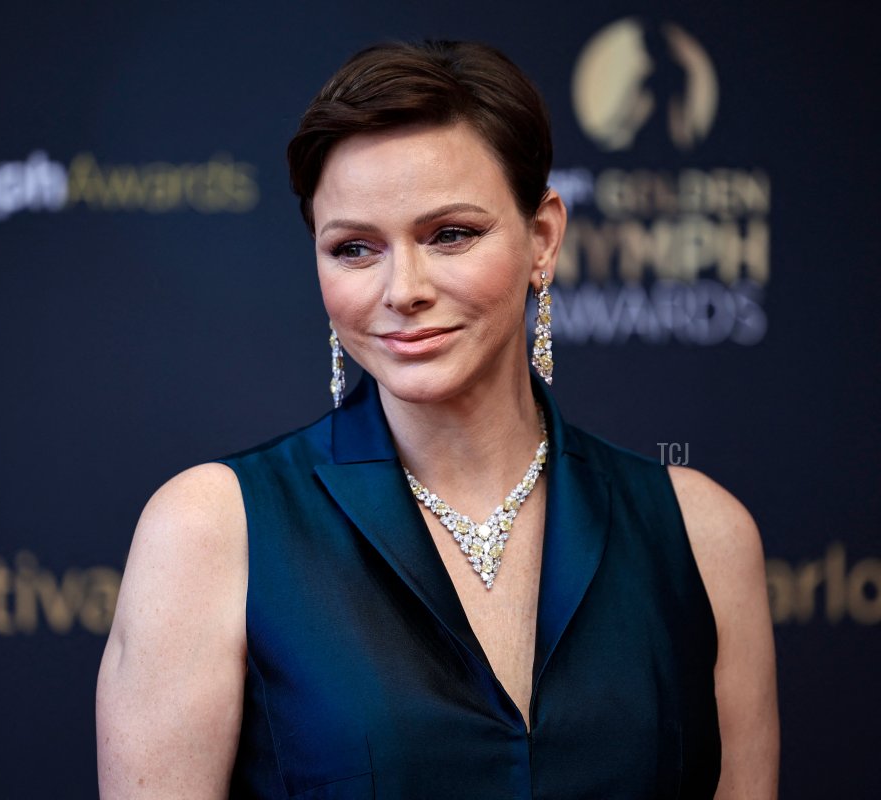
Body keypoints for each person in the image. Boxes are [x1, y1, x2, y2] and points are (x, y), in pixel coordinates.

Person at [96, 40, 778, 799]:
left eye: (450, 234)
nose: (403, 289)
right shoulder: (212, 531)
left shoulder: (702, 535)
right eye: (355, 248)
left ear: (542, 238)